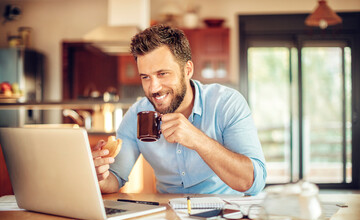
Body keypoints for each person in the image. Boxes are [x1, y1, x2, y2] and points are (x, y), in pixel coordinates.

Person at [92, 24, 266, 195]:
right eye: (145, 77)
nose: (153, 88)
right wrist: (100, 176)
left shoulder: (226, 103)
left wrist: (198, 140)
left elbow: (252, 182)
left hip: (222, 215)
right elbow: (115, 177)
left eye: (162, 74)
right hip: (167, 216)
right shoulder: (137, 115)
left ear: (187, 70)